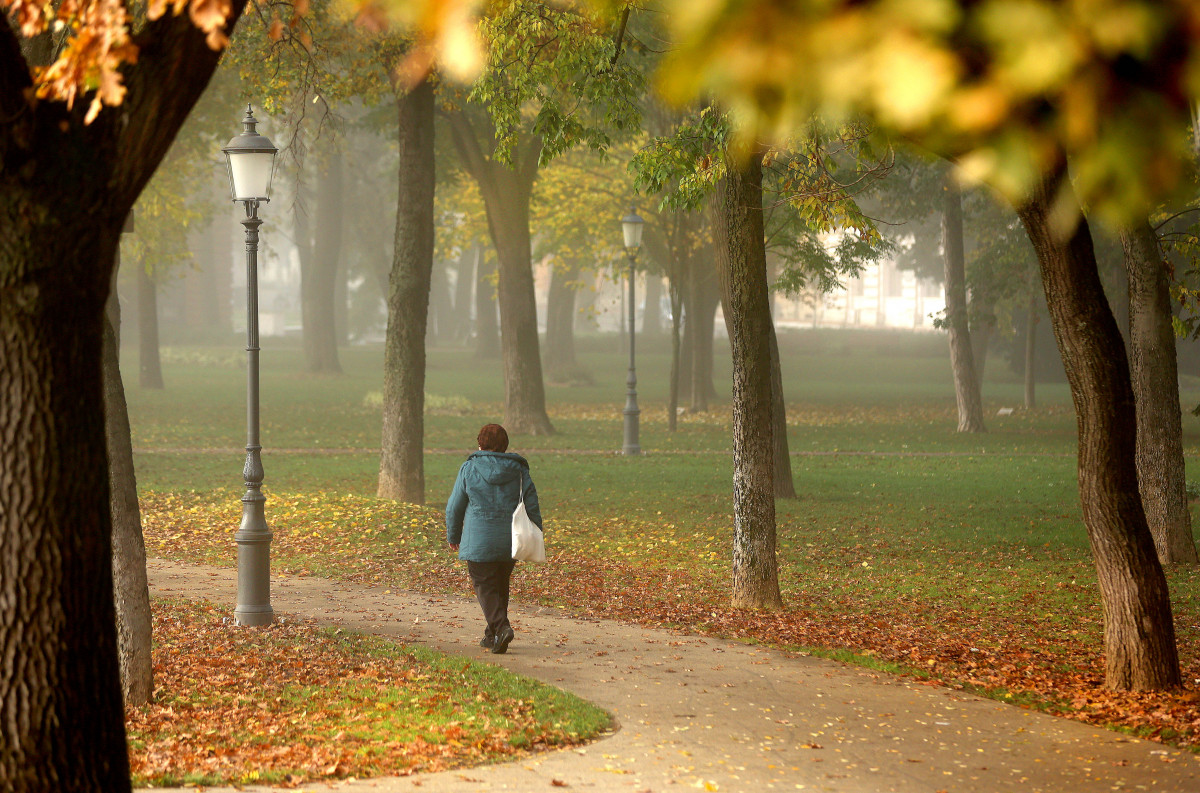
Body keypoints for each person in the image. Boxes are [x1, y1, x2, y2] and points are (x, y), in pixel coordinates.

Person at [445, 423, 542, 654]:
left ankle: (501, 627)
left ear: (480, 444)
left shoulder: (469, 468)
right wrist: (536, 532)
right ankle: (492, 636)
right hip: (511, 539)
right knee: (499, 585)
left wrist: (453, 535)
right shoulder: (518, 471)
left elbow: (454, 507)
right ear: (505, 445)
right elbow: (532, 504)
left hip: (479, 540)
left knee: (485, 586)